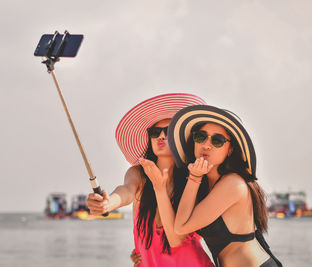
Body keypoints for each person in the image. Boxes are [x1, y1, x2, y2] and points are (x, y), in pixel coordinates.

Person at [87, 93, 214, 266]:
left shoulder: (193, 179)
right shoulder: (139, 174)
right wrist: (107, 203)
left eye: (168, 131)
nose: (160, 136)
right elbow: (126, 191)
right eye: (155, 132)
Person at [146, 104, 282, 266]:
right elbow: (175, 237)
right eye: (201, 137)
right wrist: (159, 189)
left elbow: (181, 227)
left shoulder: (233, 184)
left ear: (230, 149)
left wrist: (194, 177)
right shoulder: (202, 186)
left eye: (217, 140)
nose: (207, 144)